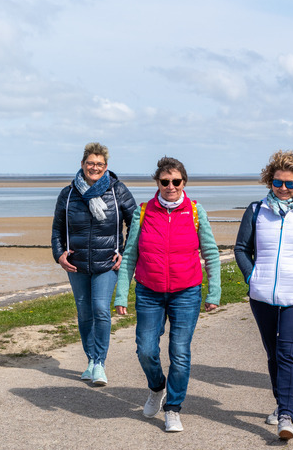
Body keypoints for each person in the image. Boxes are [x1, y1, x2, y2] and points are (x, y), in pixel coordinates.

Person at [114, 157, 222, 433]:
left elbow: (210, 253)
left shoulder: (195, 211)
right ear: (158, 183)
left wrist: (215, 291)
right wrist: (121, 295)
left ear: (184, 182)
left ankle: (173, 408)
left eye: (176, 181)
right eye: (165, 181)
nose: (171, 186)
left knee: (180, 353)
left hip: (186, 292)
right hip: (149, 292)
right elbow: (129, 256)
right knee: (146, 349)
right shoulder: (143, 211)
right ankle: (156, 387)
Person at [234, 150, 293, 441]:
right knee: (274, 354)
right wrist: (252, 275)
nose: (283, 189)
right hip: (262, 294)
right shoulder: (256, 210)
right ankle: (281, 404)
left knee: (289, 353)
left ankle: (286, 416)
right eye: (278, 183)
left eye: (290, 184)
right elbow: (241, 248)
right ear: (270, 181)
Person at [52, 142, 137, 386]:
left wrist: (124, 252)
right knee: (84, 312)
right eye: (90, 163)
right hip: (76, 263)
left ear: (106, 167)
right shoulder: (68, 193)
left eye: (99, 164)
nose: (95, 167)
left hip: (107, 263)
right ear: (82, 164)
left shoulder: (116, 190)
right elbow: (57, 228)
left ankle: (100, 363)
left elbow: (135, 223)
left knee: (100, 309)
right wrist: (59, 255)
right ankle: (90, 360)